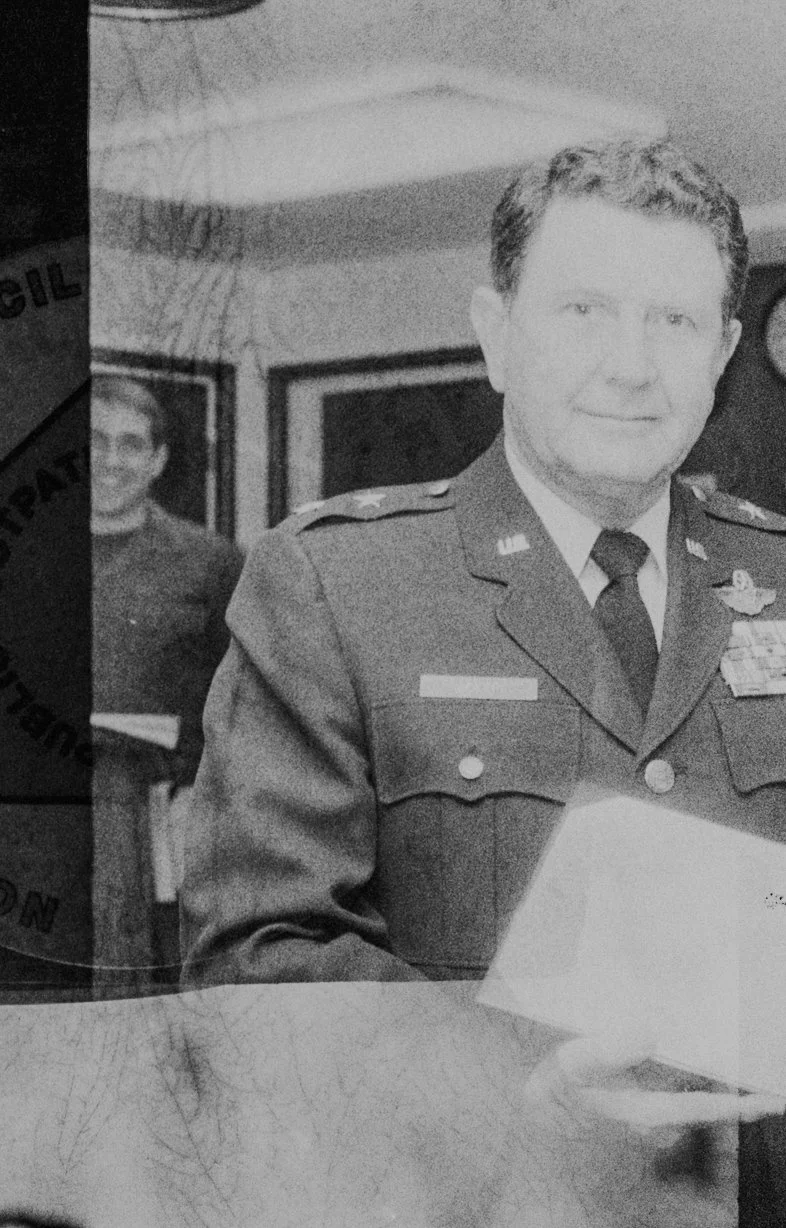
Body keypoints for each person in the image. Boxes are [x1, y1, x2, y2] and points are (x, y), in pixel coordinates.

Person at [178, 139, 786, 1175]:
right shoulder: (337, 586)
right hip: (469, 1186)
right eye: (583, 311)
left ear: (725, 350)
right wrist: (500, 1080)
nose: (631, 364)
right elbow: (255, 958)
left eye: (674, 321)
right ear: (496, 336)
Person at [89, 374, 241, 968]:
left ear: (157, 461)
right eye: (95, 440)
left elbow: (240, 700)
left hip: (156, 811)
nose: (110, 460)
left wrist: (198, 794)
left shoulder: (212, 563)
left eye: (130, 444)